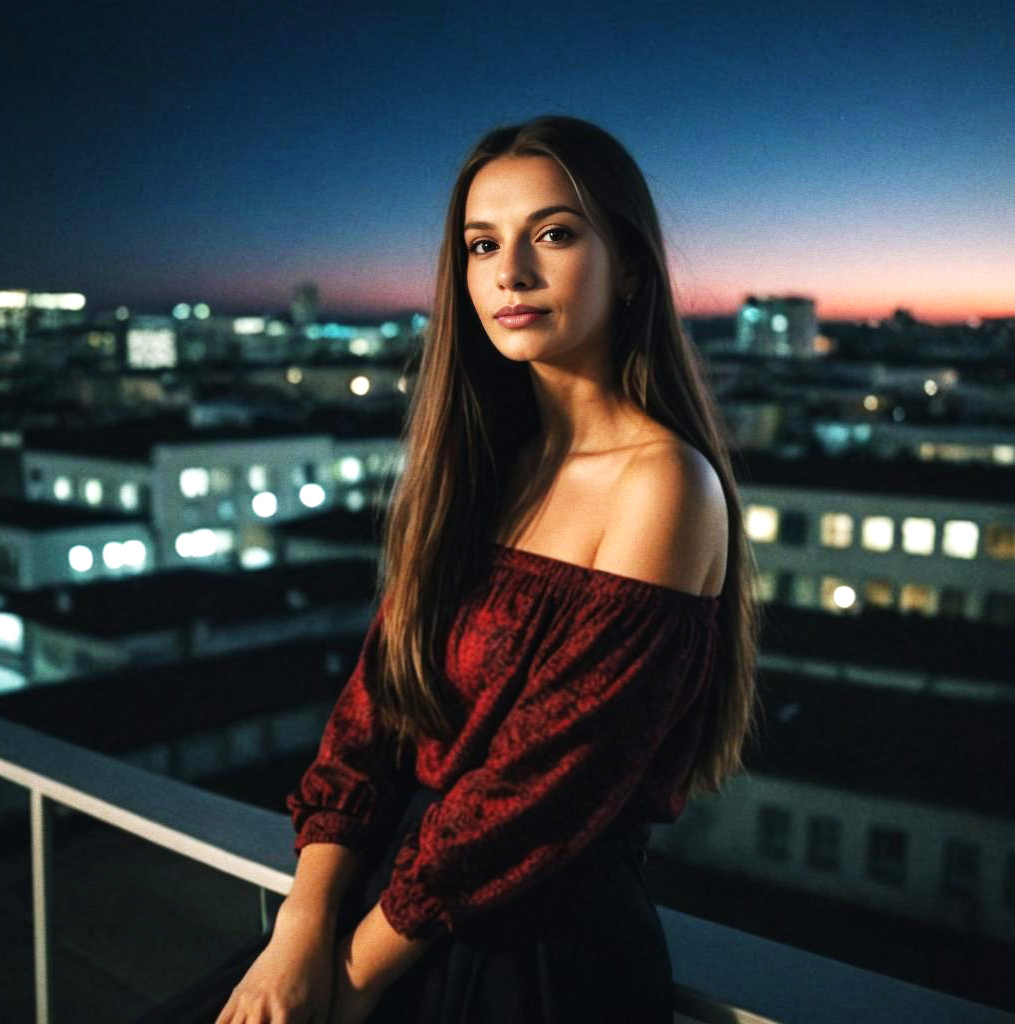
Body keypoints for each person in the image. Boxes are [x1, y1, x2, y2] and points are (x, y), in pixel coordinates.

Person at [213, 113, 761, 1024]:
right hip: (382, 922)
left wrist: (349, 979)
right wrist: (298, 933)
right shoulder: (482, 467)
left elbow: (537, 796)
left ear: (629, 266)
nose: (510, 273)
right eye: (481, 244)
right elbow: (373, 714)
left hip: (530, 961)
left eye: (553, 234)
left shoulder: (664, 484)